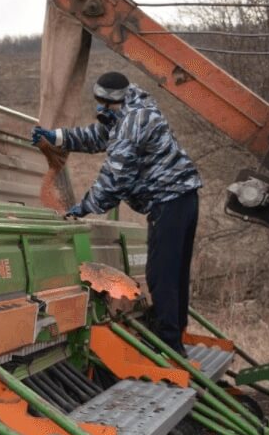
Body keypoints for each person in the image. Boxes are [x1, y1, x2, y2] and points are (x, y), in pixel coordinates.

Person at [31, 71, 203, 352]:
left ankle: (169, 347)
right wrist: (58, 138)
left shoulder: (134, 122)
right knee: (175, 272)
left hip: (170, 200)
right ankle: (176, 334)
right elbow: (98, 136)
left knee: (162, 276)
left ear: (115, 102)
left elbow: (116, 175)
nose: (100, 109)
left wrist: (85, 207)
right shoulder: (132, 109)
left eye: (104, 104)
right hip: (183, 198)